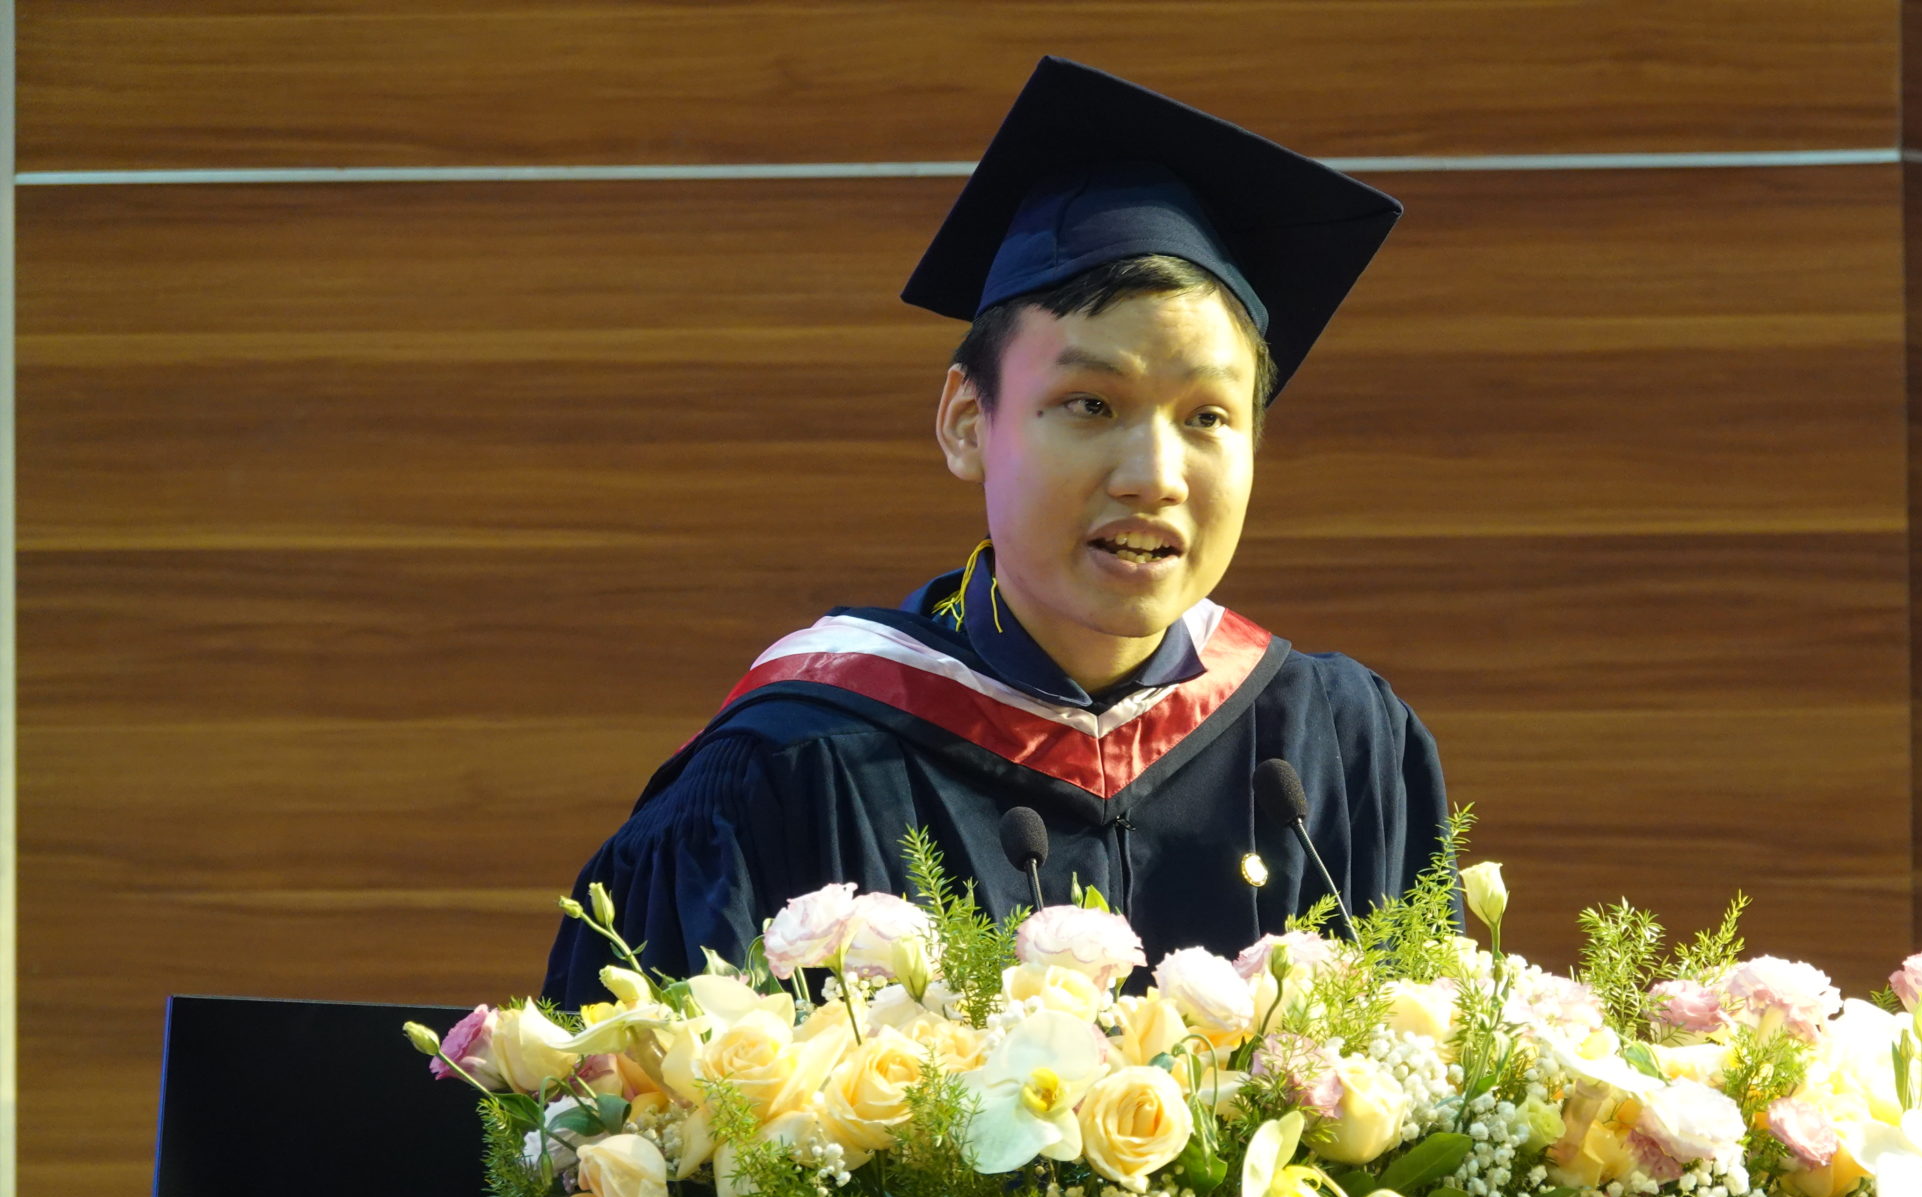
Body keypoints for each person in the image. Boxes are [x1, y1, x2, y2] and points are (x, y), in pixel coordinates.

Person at [545, 58, 1449, 1002]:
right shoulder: (796, 762)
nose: (1154, 476)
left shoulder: (1338, 743)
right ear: (967, 423)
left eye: (1207, 417)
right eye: (1091, 403)